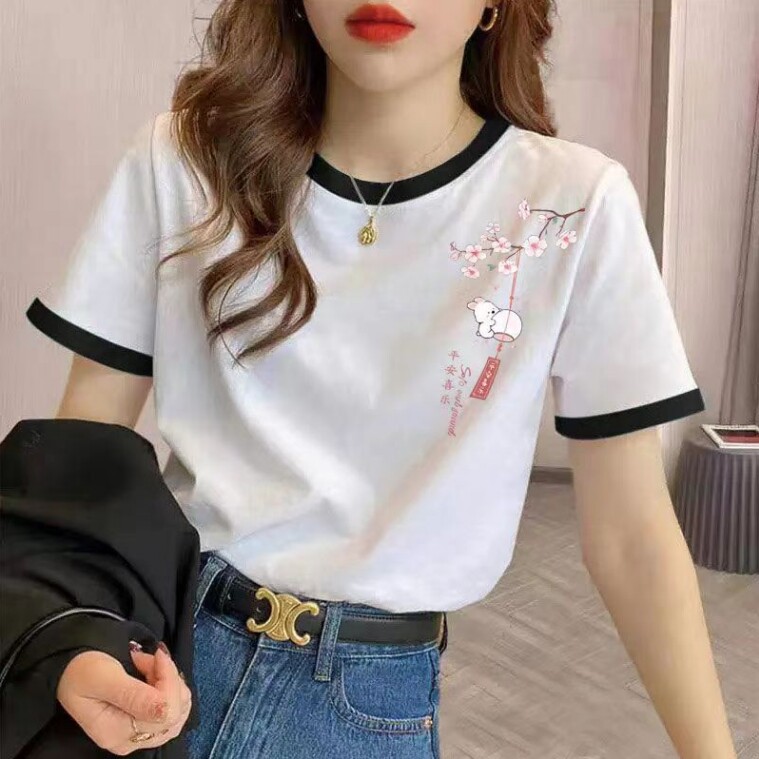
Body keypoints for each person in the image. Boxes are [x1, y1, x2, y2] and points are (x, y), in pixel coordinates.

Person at [23, 1, 737, 757]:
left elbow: (631, 538)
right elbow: (82, 457)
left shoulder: (572, 205)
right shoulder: (183, 161)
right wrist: (75, 644)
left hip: (367, 702)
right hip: (158, 659)